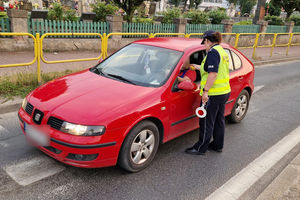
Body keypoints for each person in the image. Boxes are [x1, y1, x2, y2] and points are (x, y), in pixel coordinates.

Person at [185, 30, 231, 155]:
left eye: (204, 43)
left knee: (205, 121)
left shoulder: (213, 52)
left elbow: (213, 74)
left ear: (207, 41)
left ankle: (200, 148)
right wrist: (198, 66)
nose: (204, 46)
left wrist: (205, 92)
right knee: (218, 119)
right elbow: (214, 68)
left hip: (213, 94)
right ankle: (217, 145)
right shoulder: (221, 51)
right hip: (224, 91)